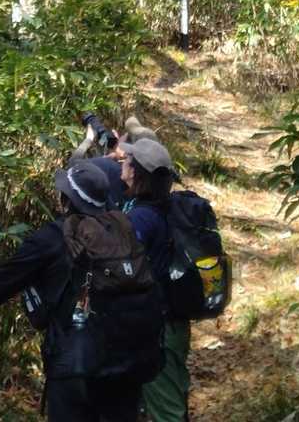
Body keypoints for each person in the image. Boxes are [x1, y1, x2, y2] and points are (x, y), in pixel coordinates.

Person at [0, 158, 162, 422]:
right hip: (129, 360)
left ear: (66, 200)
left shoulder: (54, 237)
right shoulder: (121, 229)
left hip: (76, 365)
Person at [115, 134, 190, 422]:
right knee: (163, 400)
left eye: (127, 160)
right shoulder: (159, 208)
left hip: (159, 330)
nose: (122, 162)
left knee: (166, 411)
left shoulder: (142, 218)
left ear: (136, 173)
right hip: (166, 323)